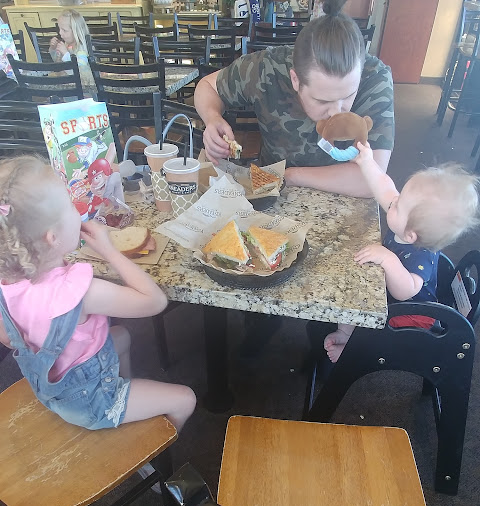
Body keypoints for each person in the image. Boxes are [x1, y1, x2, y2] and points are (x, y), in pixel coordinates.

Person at [0, 156, 196, 489]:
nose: (78, 211)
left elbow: (9, 339)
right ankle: (149, 457)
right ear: (52, 237)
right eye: (70, 206)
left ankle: (125, 397)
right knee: (185, 398)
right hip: (90, 402)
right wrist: (109, 250)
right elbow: (155, 302)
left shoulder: (7, 283)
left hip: (50, 387)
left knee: (121, 336)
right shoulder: (81, 291)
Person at [194, 0, 394, 198]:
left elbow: (372, 180)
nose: (335, 112)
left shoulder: (375, 78)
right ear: (295, 80)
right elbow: (207, 86)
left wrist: (292, 175)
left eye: (348, 96)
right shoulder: (267, 69)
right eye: (322, 101)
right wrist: (212, 118)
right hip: (270, 197)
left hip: (345, 197)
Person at [324, 142, 479, 362]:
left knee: (370, 318)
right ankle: (345, 333)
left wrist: (388, 259)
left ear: (410, 235)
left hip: (411, 316)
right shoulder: (404, 224)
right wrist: (367, 162)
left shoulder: (420, 255)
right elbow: (384, 187)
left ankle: (354, 351)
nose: (393, 200)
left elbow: (406, 290)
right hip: (392, 297)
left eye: (398, 205)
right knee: (356, 293)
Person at [48, 9, 94, 88]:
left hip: (84, 90)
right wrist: (54, 49)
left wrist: (66, 54)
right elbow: (57, 64)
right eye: (59, 29)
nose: (60, 33)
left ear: (76, 32)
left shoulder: (82, 50)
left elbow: (80, 72)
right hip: (67, 86)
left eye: (64, 30)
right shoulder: (67, 45)